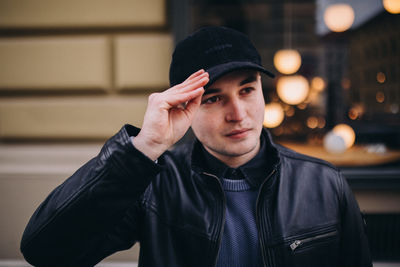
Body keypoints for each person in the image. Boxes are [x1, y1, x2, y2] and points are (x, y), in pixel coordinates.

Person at [20, 26, 372, 267]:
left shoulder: (324, 183)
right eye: (213, 98)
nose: (237, 114)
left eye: (247, 90)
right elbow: (46, 251)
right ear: (183, 108)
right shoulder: (155, 184)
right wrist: (144, 147)